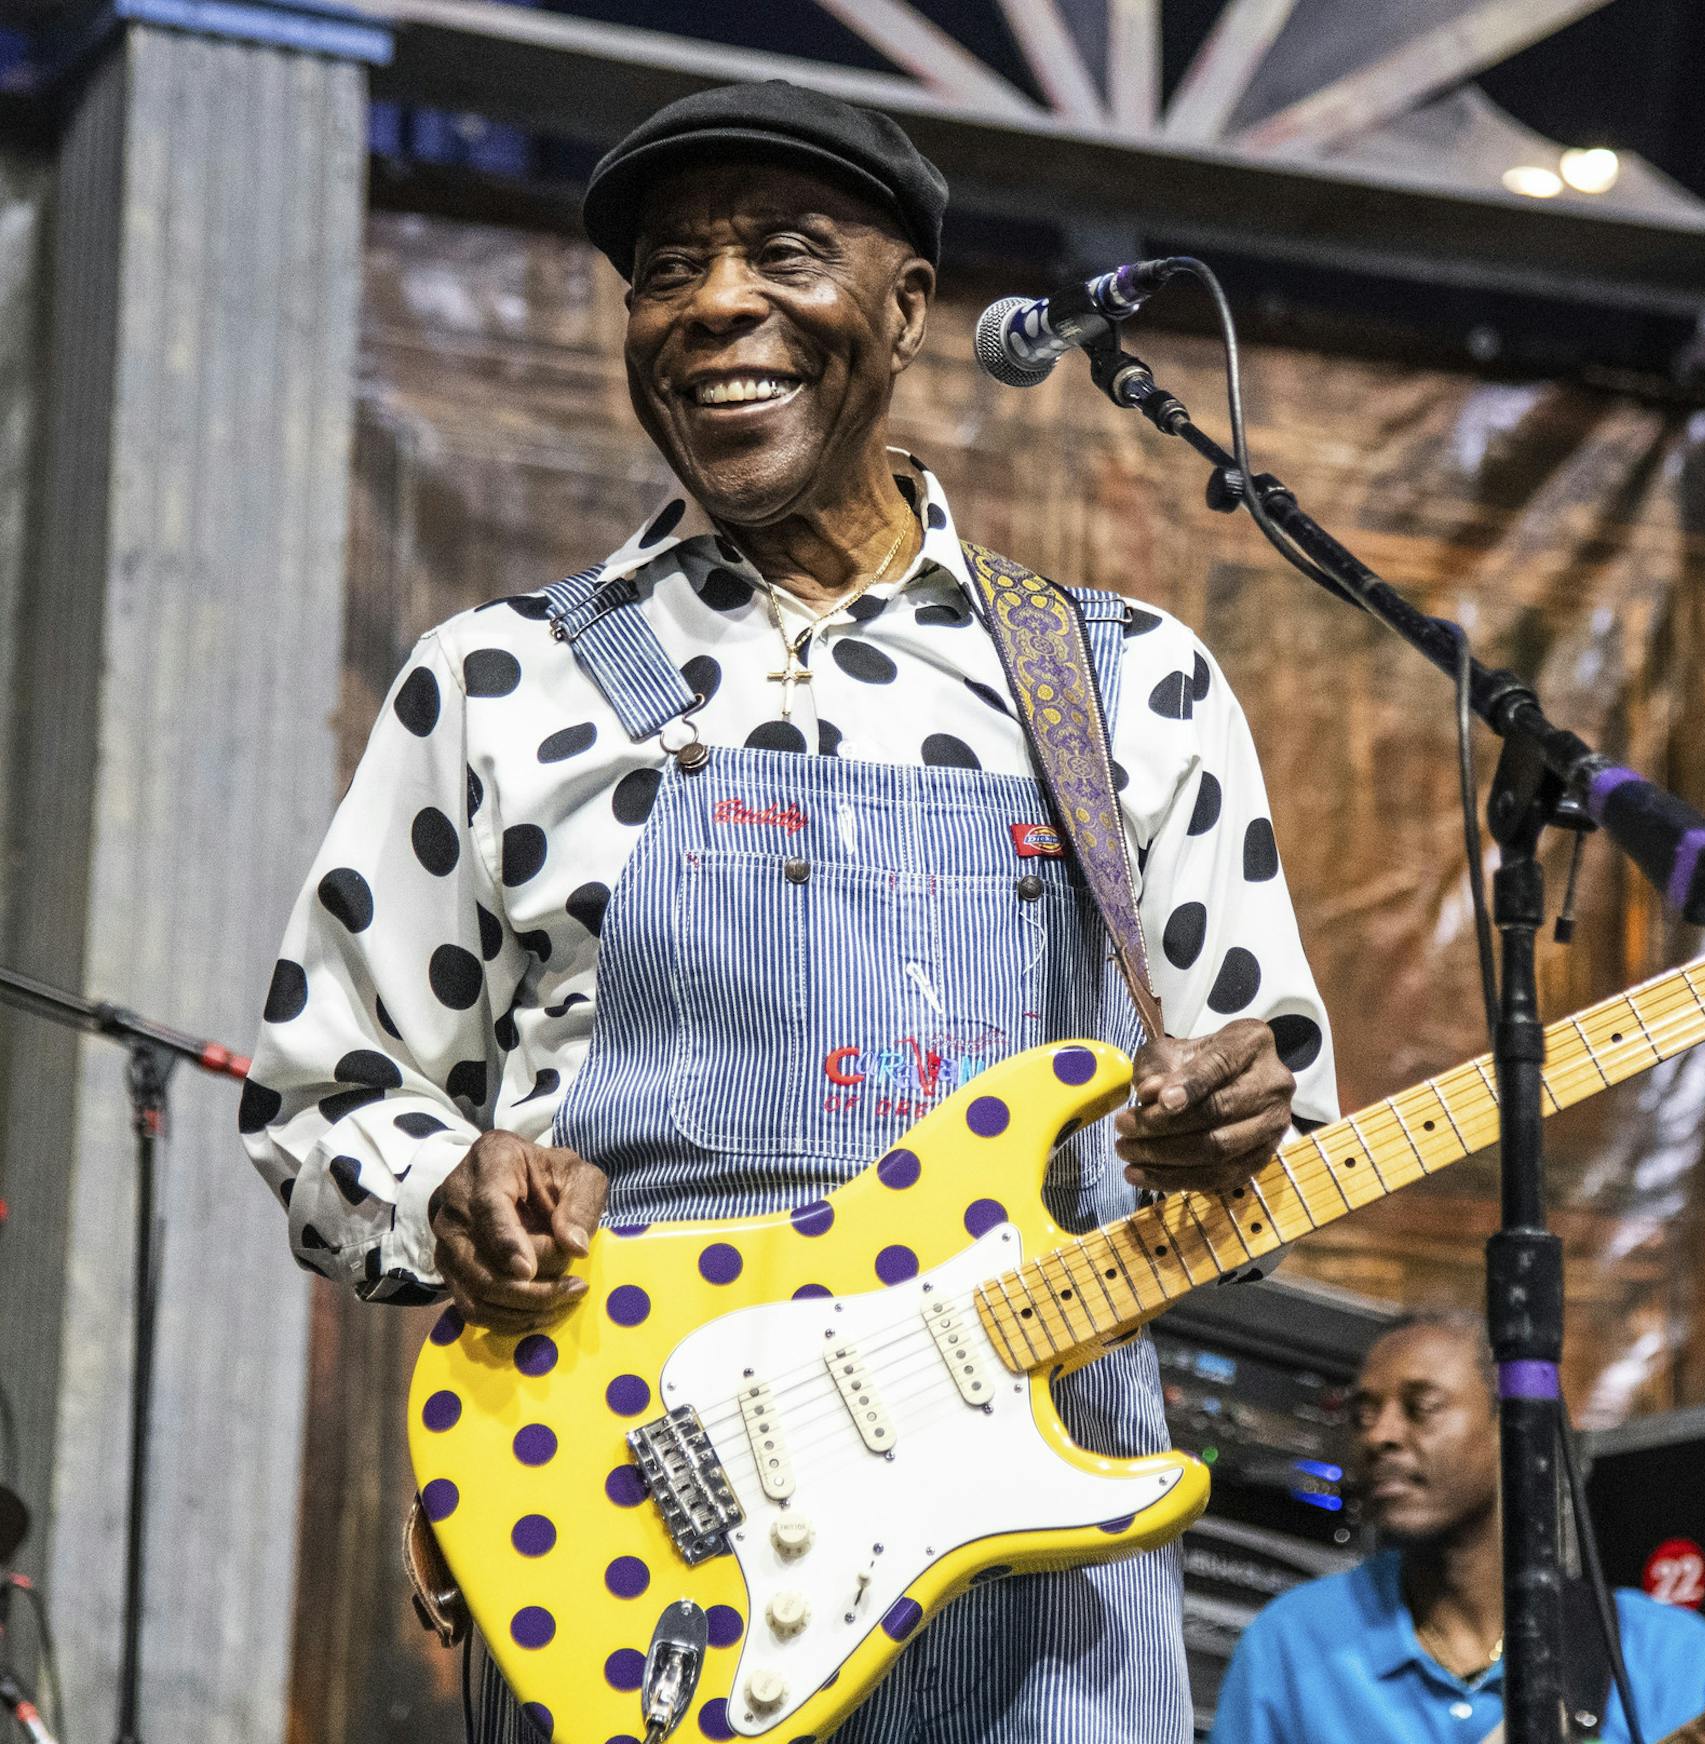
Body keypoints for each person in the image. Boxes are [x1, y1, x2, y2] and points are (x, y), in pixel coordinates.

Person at [240, 80, 1336, 1744]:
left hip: (1028, 1542)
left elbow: (1278, 1119)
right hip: (639, 1545)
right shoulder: (497, 681)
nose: (715, 305)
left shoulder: (1128, 688)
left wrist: (1234, 1127)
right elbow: (329, 1087)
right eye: (669, 269)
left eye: (782, 252)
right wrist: (446, 1183)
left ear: (906, 310)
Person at [1212, 1312, 1705, 1744]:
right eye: (1363, 1414)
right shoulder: (1290, 1643)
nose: (1379, 1435)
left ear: (1512, 1433)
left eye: (1422, 1406)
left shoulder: (1663, 1652)